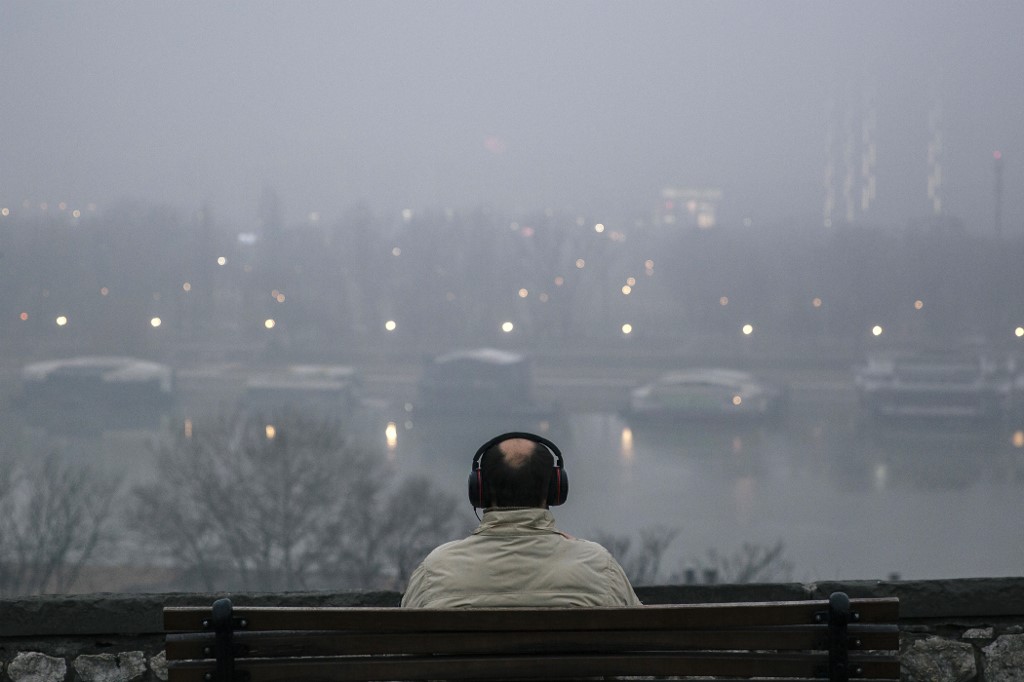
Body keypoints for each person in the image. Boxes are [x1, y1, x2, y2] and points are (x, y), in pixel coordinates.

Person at [401, 432, 641, 608]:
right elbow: (637, 652)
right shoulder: (598, 567)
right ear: (556, 490)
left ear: (479, 491)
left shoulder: (435, 570)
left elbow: (403, 657)